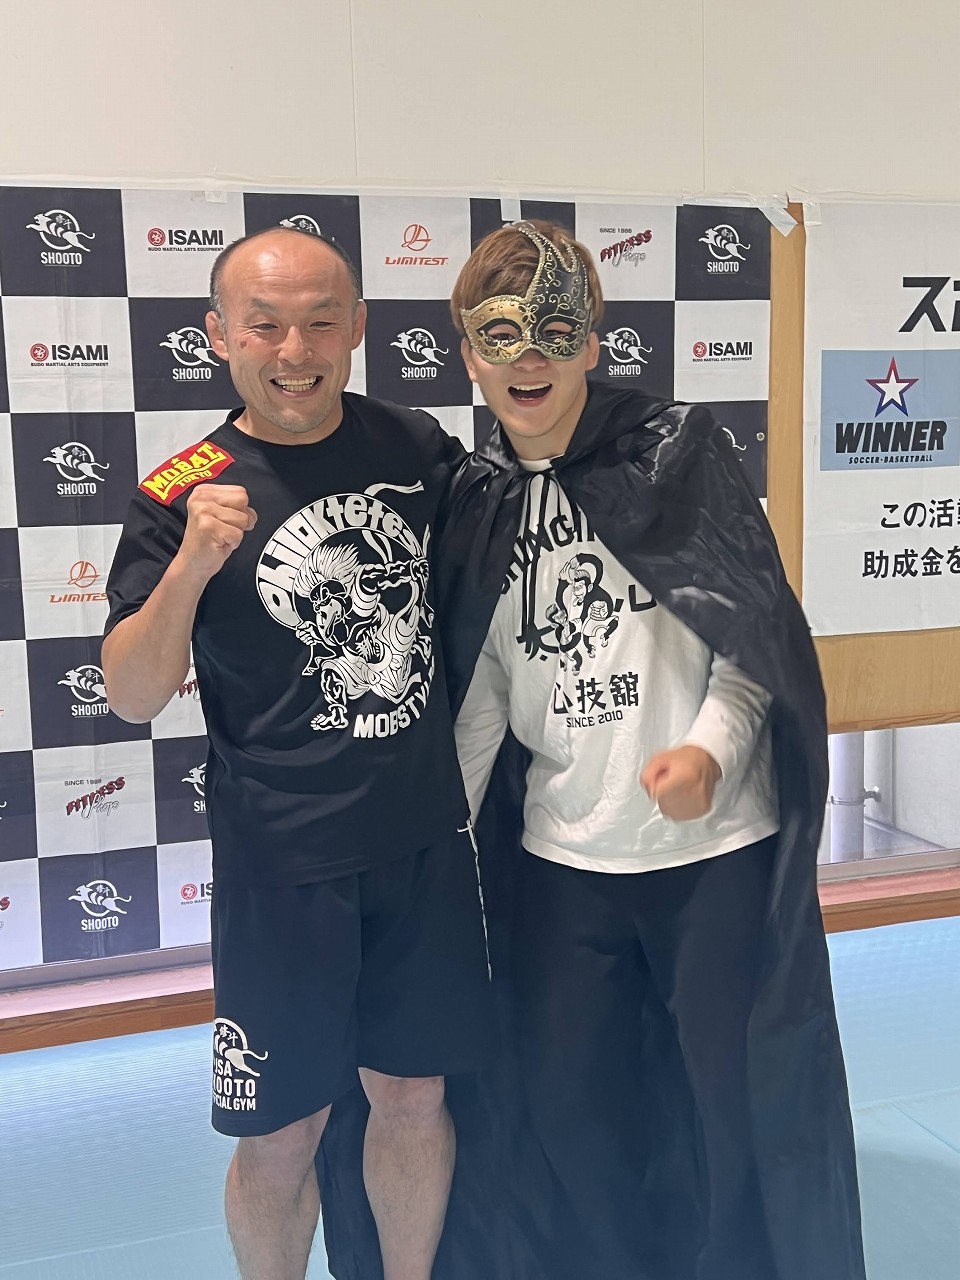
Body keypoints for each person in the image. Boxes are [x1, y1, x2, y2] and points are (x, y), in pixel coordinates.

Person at [428, 219, 867, 1280]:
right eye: (501, 336)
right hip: (561, 865)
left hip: (712, 860)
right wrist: (440, 836)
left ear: (593, 340)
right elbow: (484, 691)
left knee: (731, 1107)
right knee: (568, 1109)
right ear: (470, 354)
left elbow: (753, 642)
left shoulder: (675, 454)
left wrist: (708, 753)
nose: (529, 358)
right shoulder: (476, 501)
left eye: (555, 331)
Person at [101, 226, 494, 1280]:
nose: (295, 349)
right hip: (282, 864)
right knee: (280, 1134)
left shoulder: (414, 446)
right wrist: (191, 565)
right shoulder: (180, 489)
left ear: (358, 326)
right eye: (265, 324)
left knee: (414, 1095)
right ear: (218, 334)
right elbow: (131, 692)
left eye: (322, 321)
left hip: (420, 841)